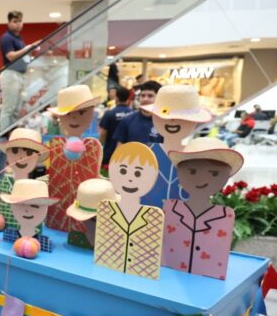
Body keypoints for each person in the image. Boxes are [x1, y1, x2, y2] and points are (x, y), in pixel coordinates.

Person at [163, 137, 243, 279]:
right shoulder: (171, 209)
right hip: (168, 276)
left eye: (214, 173)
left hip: (208, 281)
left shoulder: (224, 216)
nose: (202, 179)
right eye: (192, 171)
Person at [94, 142, 164, 279]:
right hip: (105, 273)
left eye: (138, 173)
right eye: (123, 171)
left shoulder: (154, 217)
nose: (130, 179)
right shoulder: (106, 210)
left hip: (141, 279)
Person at [141, 84, 212, 207]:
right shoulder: (145, 154)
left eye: (181, 117)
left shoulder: (196, 157)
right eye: (165, 115)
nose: (172, 121)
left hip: (184, 216)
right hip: (147, 214)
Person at [46, 85, 103, 234]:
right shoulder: (56, 145)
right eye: (68, 113)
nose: (74, 117)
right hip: (56, 217)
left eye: (81, 112)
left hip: (84, 221)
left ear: (91, 114)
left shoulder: (92, 147)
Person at [0, 10, 33, 130]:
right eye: (15, 21)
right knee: (9, 108)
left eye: (20, 21)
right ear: (9, 23)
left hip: (19, 74)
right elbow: (10, 56)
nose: (18, 24)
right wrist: (27, 49)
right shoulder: (6, 38)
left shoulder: (18, 39)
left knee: (16, 109)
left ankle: (12, 133)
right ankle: (4, 135)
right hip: (10, 73)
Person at [114, 80, 162, 146]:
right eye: (143, 95)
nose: (145, 99)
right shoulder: (127, 120)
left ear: (159, 98)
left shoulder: (165, 122)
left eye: (150, 96)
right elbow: (120, 148)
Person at [99, 86, 134, 167]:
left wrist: (100, 148)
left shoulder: (109, 114)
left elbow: (103, 133)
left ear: (116, 97)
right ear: (128, 98)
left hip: (110, 152)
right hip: (129, 154)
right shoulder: (133, 114)